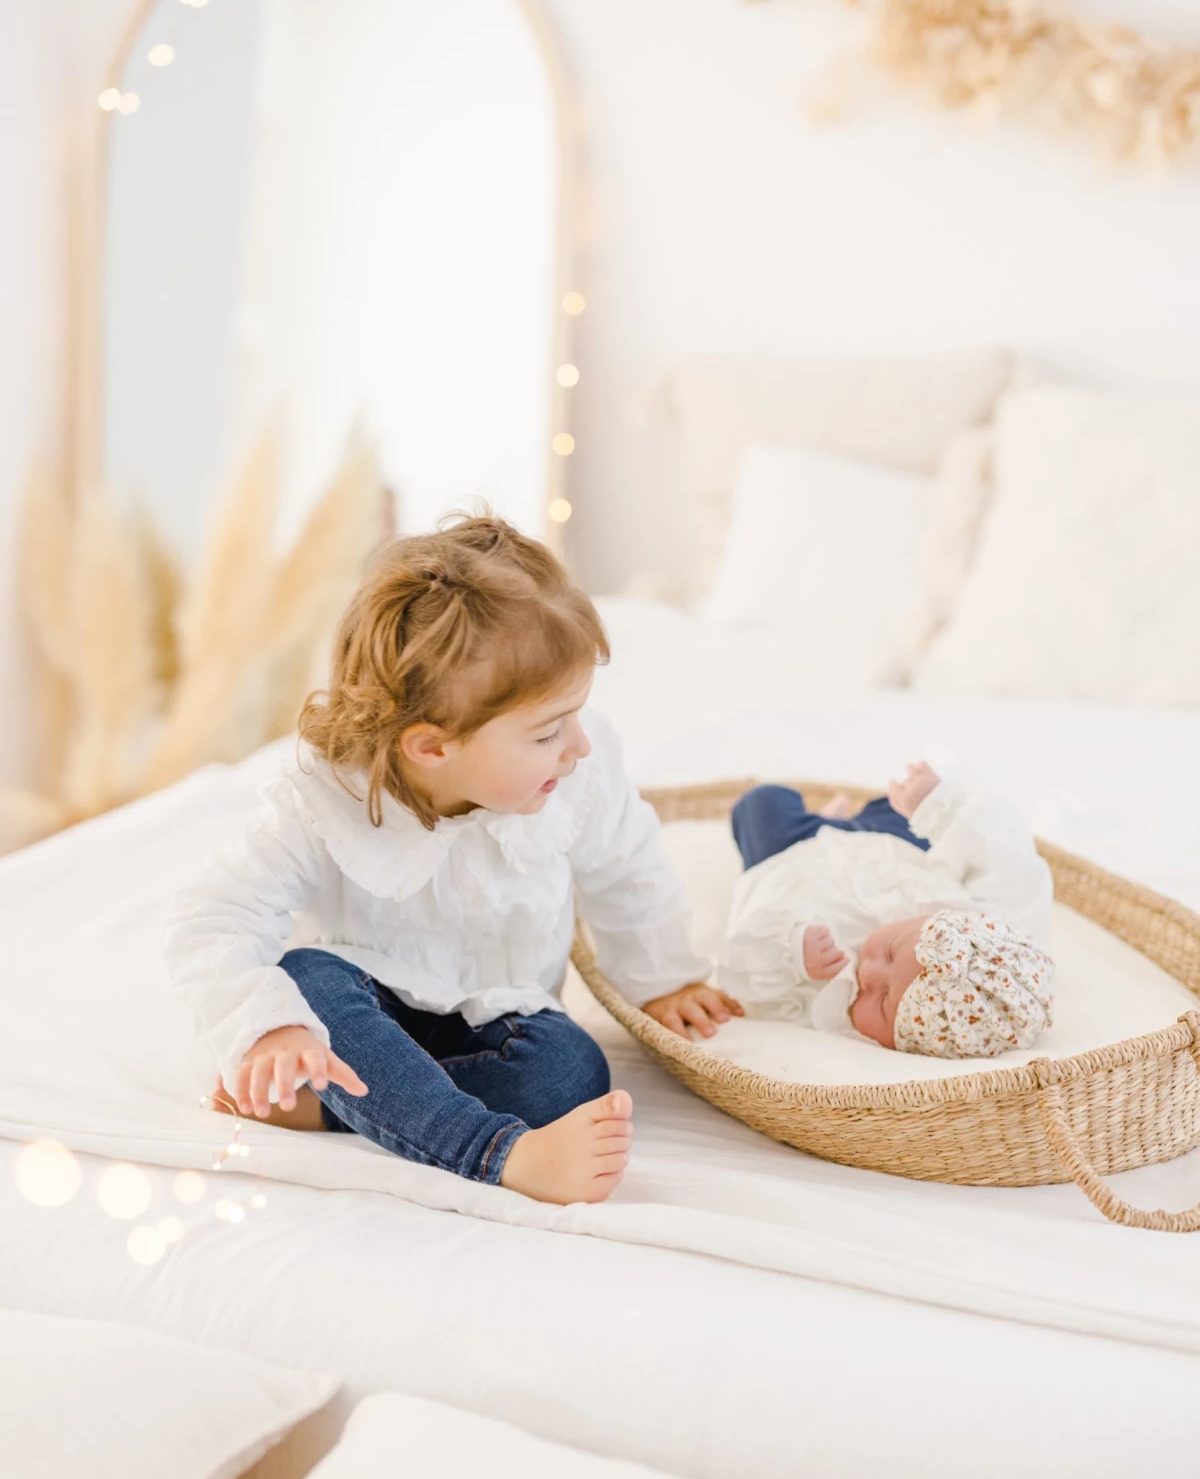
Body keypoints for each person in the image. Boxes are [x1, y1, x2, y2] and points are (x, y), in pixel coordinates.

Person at [165, 516, 741, 1205]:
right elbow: (211, 917)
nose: (578, 746)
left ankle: (339, 1103)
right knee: (306, 978)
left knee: (571, 1074)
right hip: (365, 1009)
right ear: (432, 747)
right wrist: (272, 1031)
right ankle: (499, 1153)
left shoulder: (582, 776)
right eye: (548, 730)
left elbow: (629, 870)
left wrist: (665, 979)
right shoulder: (325, 797)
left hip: (501, 1017)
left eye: (576, 717)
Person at [718, 762, 1054, 1058]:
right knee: (897, 806)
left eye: (880, 1002)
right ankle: (847, 819)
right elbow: (1009, 857)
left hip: (791, 856)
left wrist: (792, 954)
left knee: (761, 804)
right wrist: (938, 805)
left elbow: (743, 979)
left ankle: (825, 821)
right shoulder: (993, 938)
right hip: (891, 849)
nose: (868, 972)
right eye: (892, 952)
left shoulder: (830, 1004)